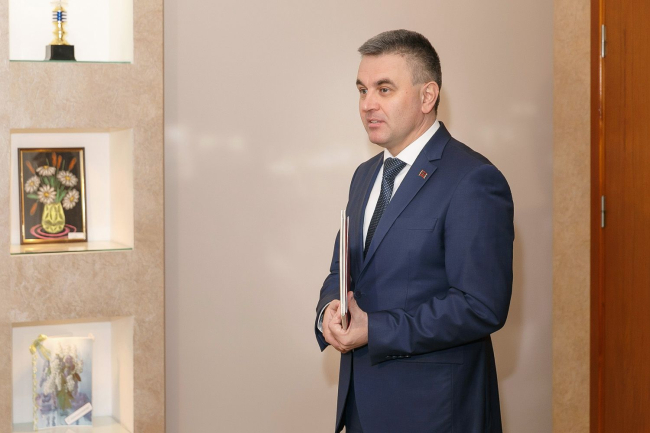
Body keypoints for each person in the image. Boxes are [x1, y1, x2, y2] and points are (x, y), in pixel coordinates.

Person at [314, 29, 514, 433]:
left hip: (434, 413)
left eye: (384, 89)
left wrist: (376, 329)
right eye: (362, 90)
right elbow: (344, 269)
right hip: (360, 407)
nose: (367, 104)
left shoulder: (474, 179)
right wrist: (328, 311)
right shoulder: (364, 175)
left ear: (427, 96)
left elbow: (481, 305)